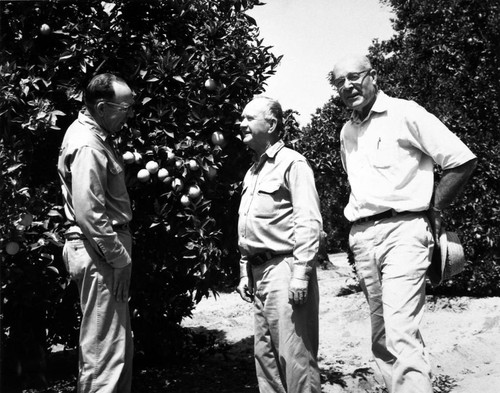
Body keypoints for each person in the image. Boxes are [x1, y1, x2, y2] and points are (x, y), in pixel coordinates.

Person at [331, 54, 477, 393]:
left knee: (400, 333)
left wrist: (436, 211)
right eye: (339, 81)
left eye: (354, 76)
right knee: (382, 338)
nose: (347, 85)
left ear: (374, 76)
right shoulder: (347, 131)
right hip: (363, 236)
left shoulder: (405, 112)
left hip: (405, 231)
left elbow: (460, 160)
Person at [236, 96, 323, 393]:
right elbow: (250, 225)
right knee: (266, 359)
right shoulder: (253, 172)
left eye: (249, 118)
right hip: (258, 273)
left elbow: (309, 221)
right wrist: (244, 268)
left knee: (296, 358)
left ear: (271, 124)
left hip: (285, 270)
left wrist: (301, 273)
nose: (241, 123)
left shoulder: (293, 163)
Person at [58, 73, 135, 393]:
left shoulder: (91, 136)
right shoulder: (88, 144)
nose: (128, 114)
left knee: (113, 346)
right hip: (101, 252)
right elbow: (90, 213)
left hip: (99, 250)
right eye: (124, 107)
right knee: (105, 355)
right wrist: (119, 259)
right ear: (102, 107)